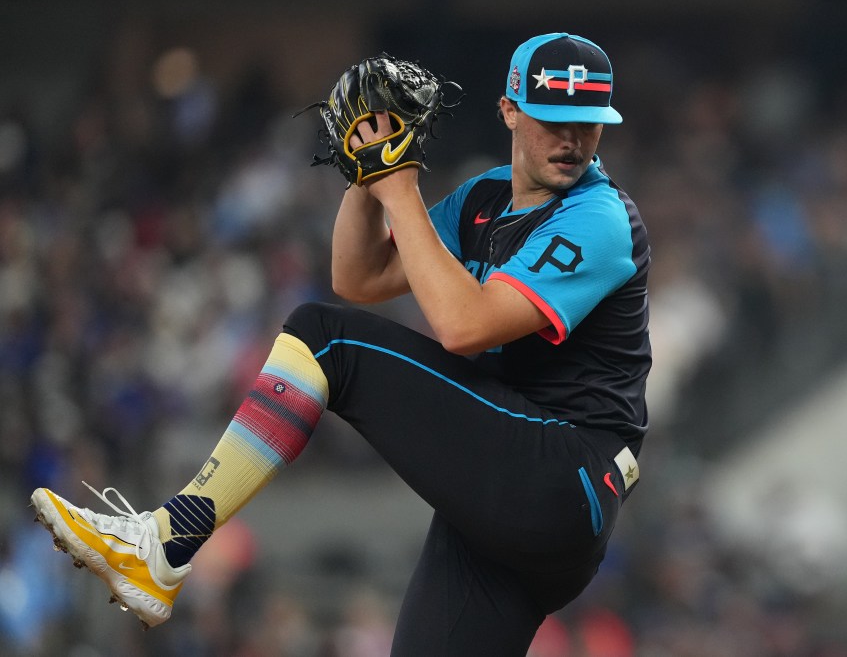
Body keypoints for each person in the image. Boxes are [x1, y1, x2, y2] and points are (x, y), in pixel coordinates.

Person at [31, 32, 651, 656]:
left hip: (562, 475)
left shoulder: (599, 216)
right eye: (553, 119)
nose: (571, 138)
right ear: (510, 110)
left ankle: (167, 542)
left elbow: (465, 327)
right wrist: (369, 171)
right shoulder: (488, 197)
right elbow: (359, 277)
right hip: (513, 491)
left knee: (322, 339)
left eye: (588, 121)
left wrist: (401, 184)